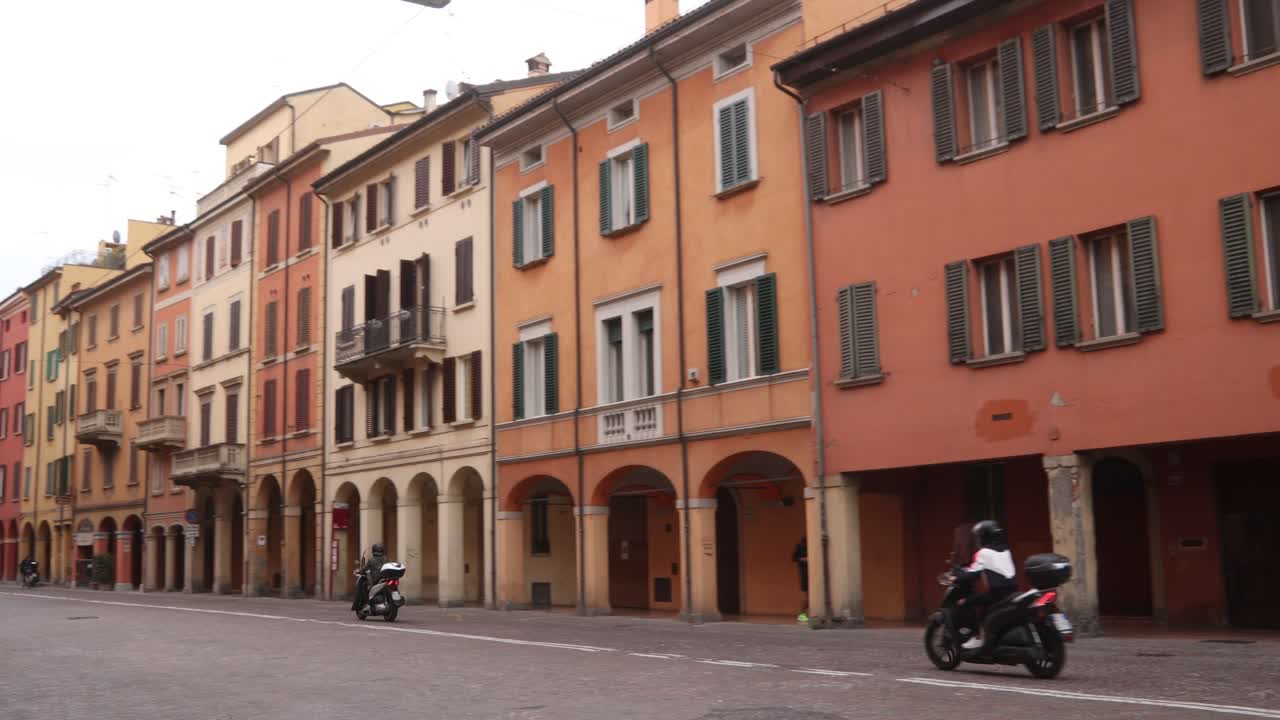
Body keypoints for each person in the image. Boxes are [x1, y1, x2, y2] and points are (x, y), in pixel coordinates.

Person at [953, 520, 1016, 650]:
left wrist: (957, 576)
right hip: (1012, 592)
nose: (978, 540)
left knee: (964, 603)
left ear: (984, 537)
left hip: (997, 594)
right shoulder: (1006, 550)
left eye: (979, 536)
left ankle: (977, 636)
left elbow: (973, 574)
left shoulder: (983, 553)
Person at [351, 543, 387, 612]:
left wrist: (358, 571)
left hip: (375, 580)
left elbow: (364, 569)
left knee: (364, 586)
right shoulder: (386, 559)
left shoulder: (371, 560)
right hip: (385, 578)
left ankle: (367, 602)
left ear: (374, 551)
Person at [792, 538, 808, 623]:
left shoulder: (802, 545)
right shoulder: (801, 546)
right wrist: (804, 559)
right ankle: (802, 615)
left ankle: (803, 615)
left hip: (808, 573)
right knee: (808, 597)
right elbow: (794, 558)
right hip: (805, 573)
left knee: (808, 597)